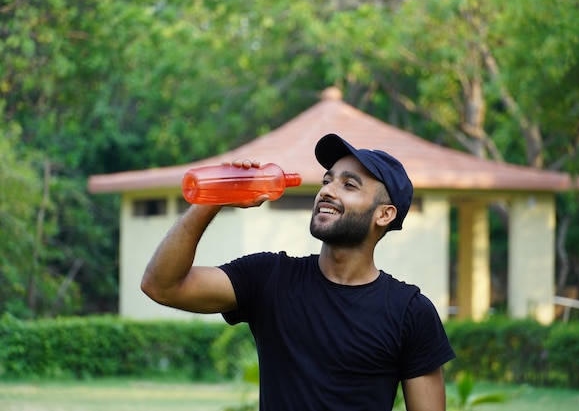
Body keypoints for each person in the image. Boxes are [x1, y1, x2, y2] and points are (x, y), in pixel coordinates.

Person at [141, 133, 456, 411]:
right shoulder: (269, 277)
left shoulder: (410, 312)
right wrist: (213, 199)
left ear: (385, 214)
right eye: (327, 181)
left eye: (349, 185)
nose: (327, 191)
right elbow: (162, 285)